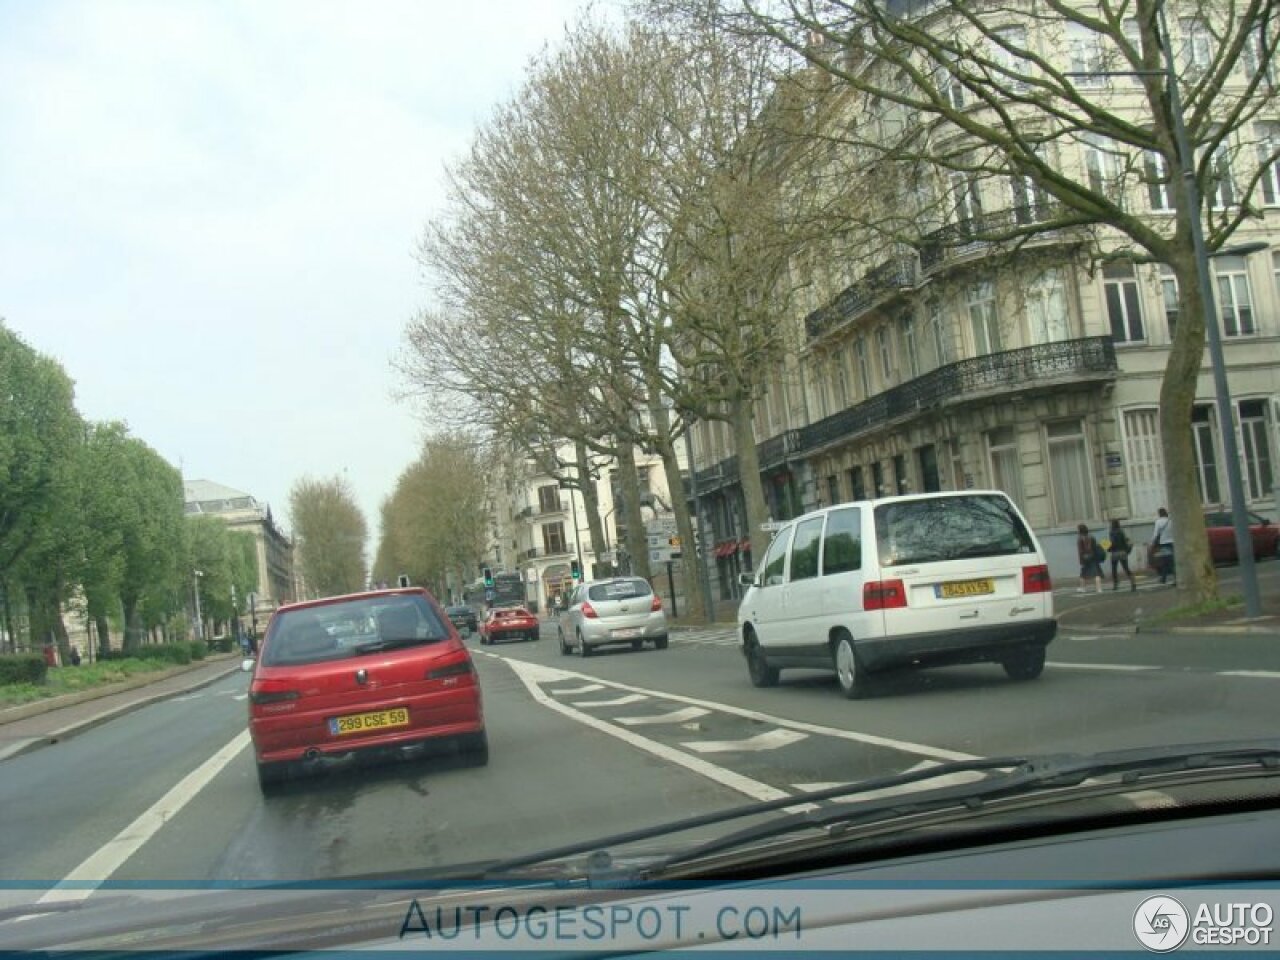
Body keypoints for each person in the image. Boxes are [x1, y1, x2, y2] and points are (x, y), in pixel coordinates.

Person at [1107, 519, 1136, 592]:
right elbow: (1125, 541)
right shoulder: (1121, 531)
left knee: (1114, 569)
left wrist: (1107, 547)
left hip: (1115, 553)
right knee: (1126, 568)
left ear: (1112, 524)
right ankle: (1133, 583)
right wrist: (1126, 549)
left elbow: (1112, 543)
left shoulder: (1112, 532)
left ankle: (1115, 584)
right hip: (1122, 552)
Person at [1076, 523, 1104, 594]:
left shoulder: (1080, 539)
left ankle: (1083, 588)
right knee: (1096, 573)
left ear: (1080, 531)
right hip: (1093, 557)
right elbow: (1095, 547)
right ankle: (1099, 589)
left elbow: (1080, 551)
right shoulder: (1092, 537)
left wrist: (1081, 561)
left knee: (1083, 574)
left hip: (1085, 558)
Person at [1151, 507, 1176, 586]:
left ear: (1159, 514)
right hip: (1172, 542)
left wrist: (1152, 543)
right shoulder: (1170, 521)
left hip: (1164, 543)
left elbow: (1155, 534)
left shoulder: (1158, 522)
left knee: (1166, 561)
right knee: (1171, 561)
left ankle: (1165, 578)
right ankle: (1168, 578)